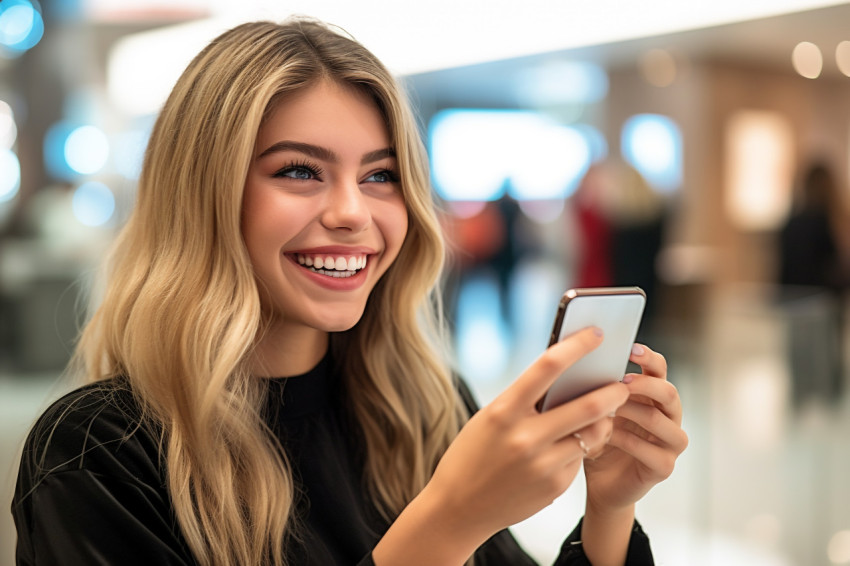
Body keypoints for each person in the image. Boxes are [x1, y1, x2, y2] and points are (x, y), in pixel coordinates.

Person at [11, 18, 688, 566]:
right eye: (301, 170)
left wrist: (610, 511)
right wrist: (448, 521)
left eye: (379, 176)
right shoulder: (97, 452)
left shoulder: (422, 405)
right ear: (203, 196)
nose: (352, 212)